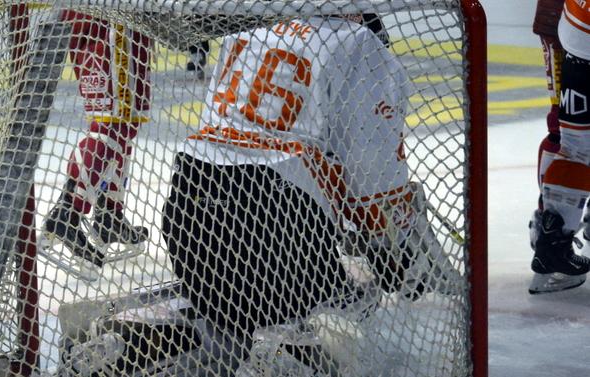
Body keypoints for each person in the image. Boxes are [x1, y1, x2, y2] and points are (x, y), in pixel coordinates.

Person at [163, 13, 417, 335]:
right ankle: (285, 356)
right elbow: (374, 171)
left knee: (224, 307)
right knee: (358, 295)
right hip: (276, 227)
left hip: (187, 213)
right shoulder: (358, 42)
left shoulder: (251, 24)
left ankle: (188, 326)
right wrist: (392, 249)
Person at [40, 11, 151, 278]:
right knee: (111, 124)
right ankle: (67, 214)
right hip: (110, 21)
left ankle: (108, 215)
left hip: (101, 20)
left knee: (122, 123)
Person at [528, 0, 590, 294]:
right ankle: (552, 239)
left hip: (576, 35)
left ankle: (552, 240)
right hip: (573, 33)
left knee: (573, 146)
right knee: (564, 139)